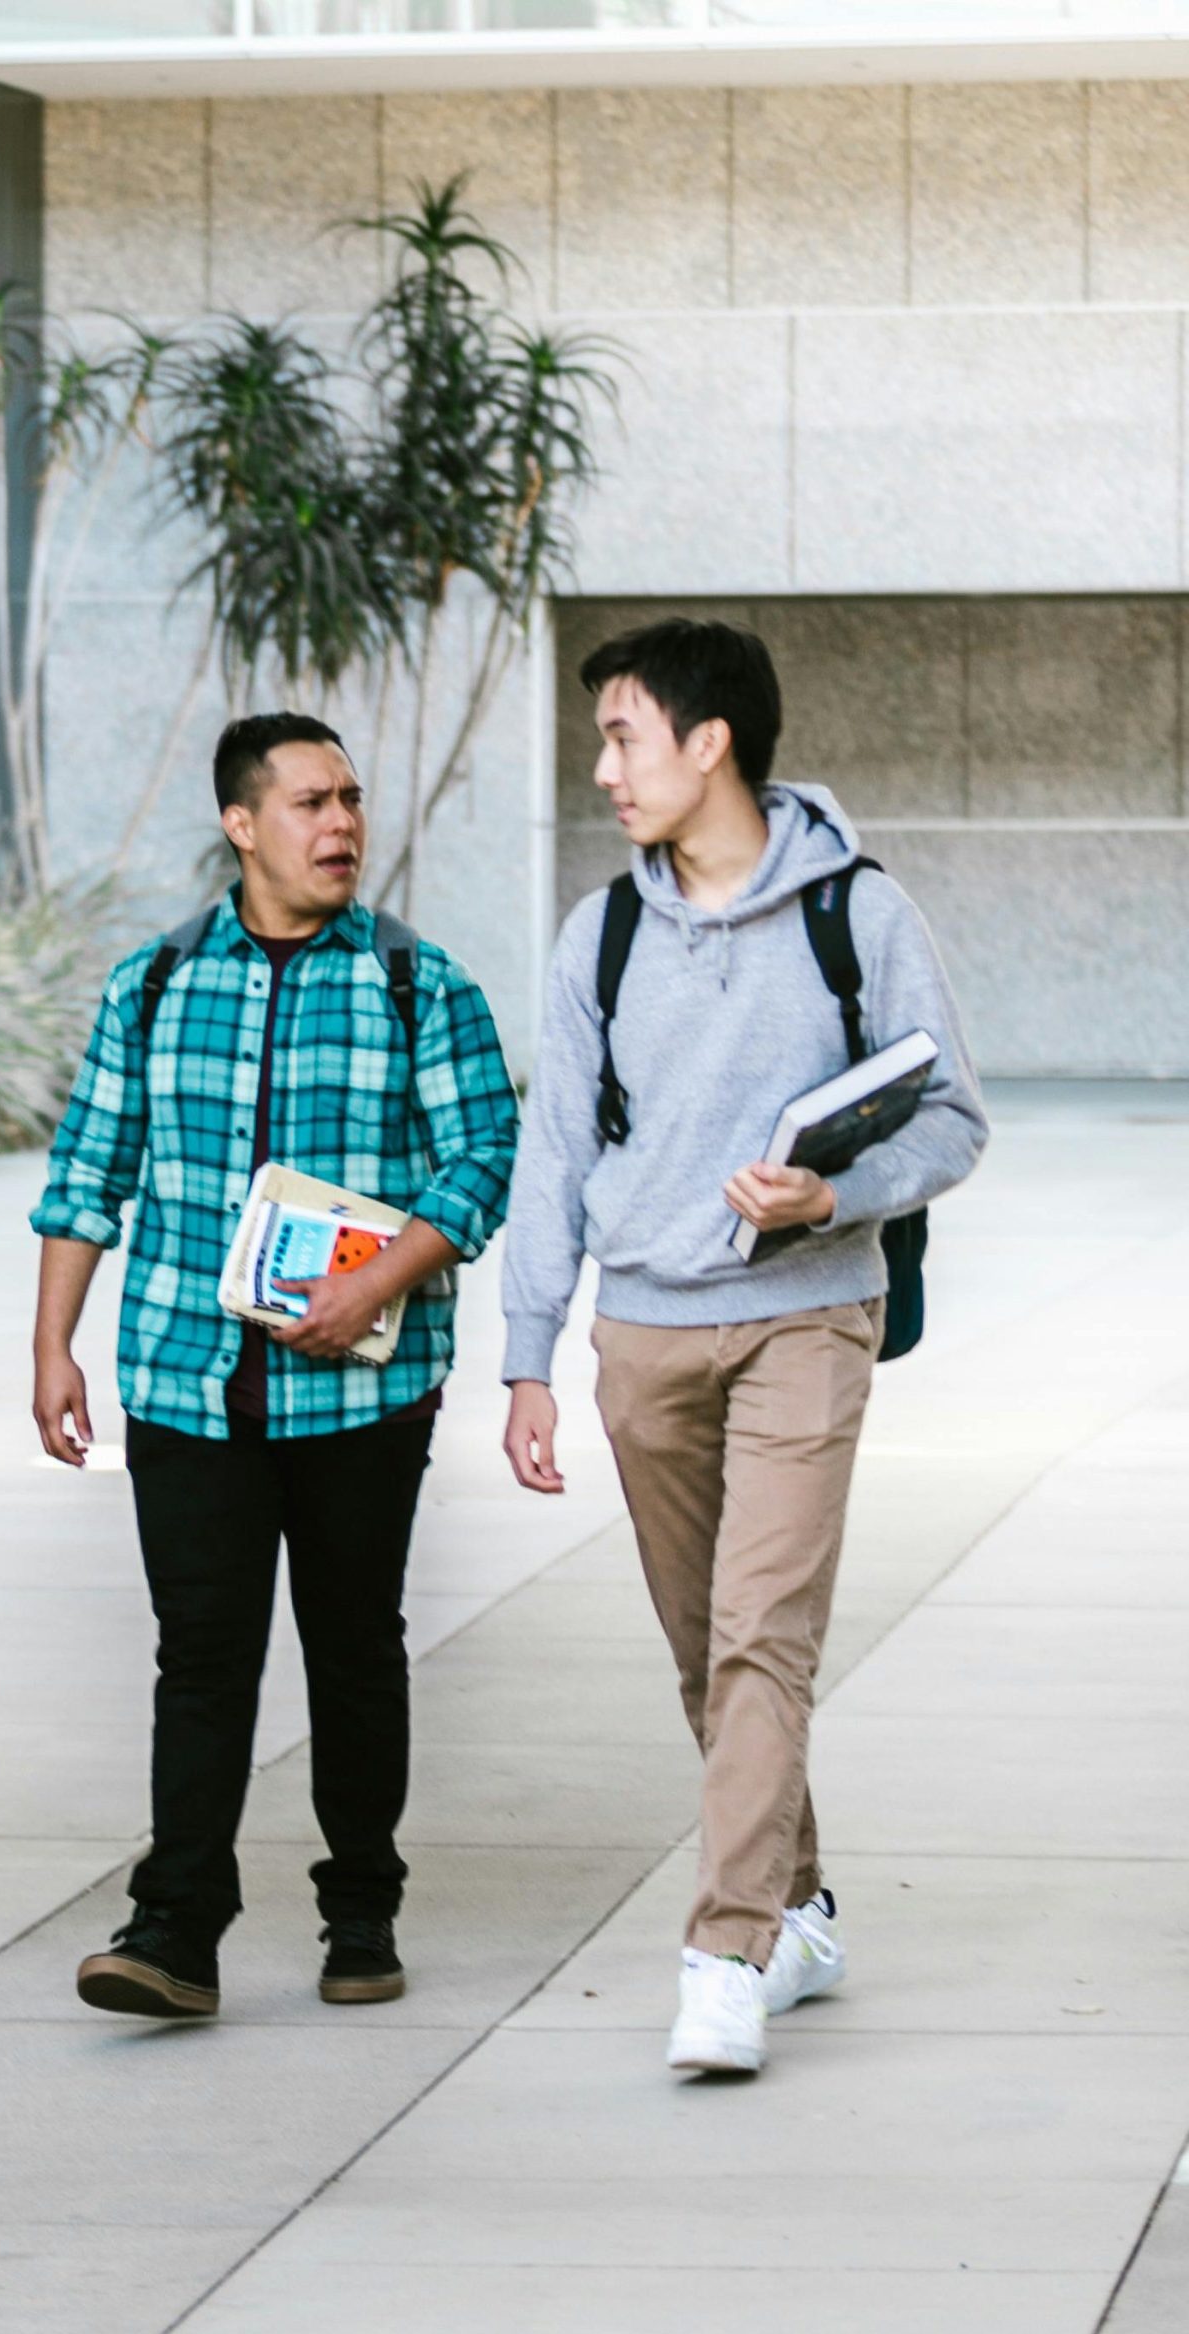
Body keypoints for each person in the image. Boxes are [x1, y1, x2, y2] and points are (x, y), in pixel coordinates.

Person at [499, 618, 987, 2078]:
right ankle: (805, 1905)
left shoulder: (861, 912)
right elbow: (553, 1151)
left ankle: (727, 1953)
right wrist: (528, 1355)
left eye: (623, 737)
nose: (604, 771)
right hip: (645, 1330)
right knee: (709, 1661)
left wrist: (835, 1193)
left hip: (805, 1318)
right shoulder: (609, 931)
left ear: (710, 743)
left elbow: (956, 1120)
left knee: (762, 1636)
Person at [32, 713, 520, 2021]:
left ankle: (361, 1911)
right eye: (311, 802)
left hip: (365, 1389)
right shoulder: (153, 984)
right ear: (241, 824)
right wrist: (51, 1346)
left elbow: (481, 1162)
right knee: (202, 1655)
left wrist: (376, 1278)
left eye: (352, 800)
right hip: (188, 1385)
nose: (342, 824)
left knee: (355, 1650)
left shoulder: (422, 985)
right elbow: (88, 1171)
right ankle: (176, 1928)